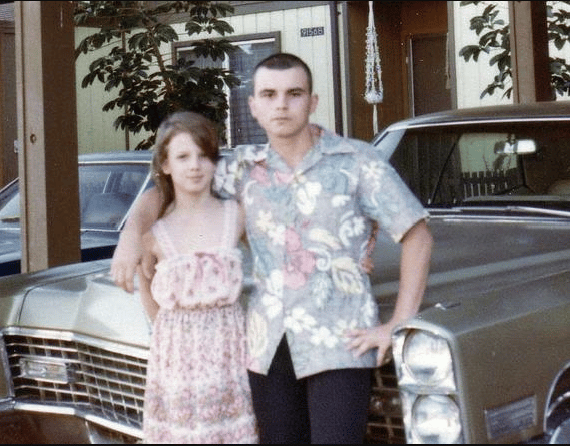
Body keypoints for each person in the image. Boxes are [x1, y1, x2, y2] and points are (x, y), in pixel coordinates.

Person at [112, 53, 433, 444]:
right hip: (266, 347)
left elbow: (417, 234)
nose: (281, 104)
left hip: (339, 341)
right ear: (254, 106)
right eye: (269, 94)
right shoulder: (241, 169)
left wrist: (397, 322)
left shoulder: (358, 161)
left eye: (294, 93)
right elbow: (168, 192)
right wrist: (130, 239)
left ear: (313, 102)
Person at [136, 111, 258, 443]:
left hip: (228, 352)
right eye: (183, 157)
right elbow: (144, 283)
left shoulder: (236, 216)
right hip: (176, 356)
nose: (194, 166)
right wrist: (172, 330)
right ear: (165, 165)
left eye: (204, 155)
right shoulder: (155, 232)